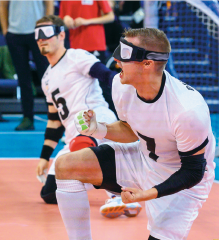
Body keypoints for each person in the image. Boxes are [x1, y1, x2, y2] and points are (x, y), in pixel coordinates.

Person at [37, 28, 219, 240]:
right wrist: (99, 129)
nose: (116, 59)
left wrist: (147, 194)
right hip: (142, 159)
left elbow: (193, 171)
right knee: (66, 165)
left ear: (148, 63)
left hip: (182, 184)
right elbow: (133, 129)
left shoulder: (188, 110)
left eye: (124, 53)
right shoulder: (121, 85)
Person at [34, 15, 141, 218]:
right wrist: (44, 157)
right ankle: (125, 186)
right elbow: (54, 121)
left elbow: (105, 75)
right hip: (72, 136)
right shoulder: (46, 78)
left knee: (84, 147)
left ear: (61, 35)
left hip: (95, 122)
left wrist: (128, 89)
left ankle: (118, 194)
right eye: (37, 34)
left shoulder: (76, 57)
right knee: (49, 193)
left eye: (46, 33)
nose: (41, 38)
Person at [0, 0, 53, 131]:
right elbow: (2, 6)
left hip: (39, 33)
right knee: (23, 78)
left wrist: (47, 27)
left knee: (47, 77)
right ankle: (27, 117)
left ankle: (54, 117)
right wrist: (6, 30)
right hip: (15, 34)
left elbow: (49, 3)